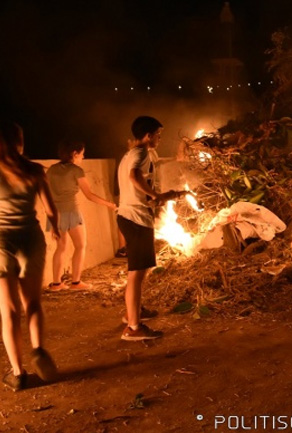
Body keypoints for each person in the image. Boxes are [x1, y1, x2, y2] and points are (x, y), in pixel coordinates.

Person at [0, 120, 59, 391]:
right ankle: (38, 349)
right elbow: (50, 209)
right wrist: (56, 230)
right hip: (31, 239)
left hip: (2, 243)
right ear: (20, 142)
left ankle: (18, 373)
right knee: (33, 302)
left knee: (9, 311)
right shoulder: (35, 170)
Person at [117, 116, 183, 341]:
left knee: (138, 272)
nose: (159, 139)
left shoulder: (130, 154)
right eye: (158, 135)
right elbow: (134, 176)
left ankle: (133, 312)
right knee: (137, 274)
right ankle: (133, 328)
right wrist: (157, 195)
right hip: (135, 218)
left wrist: (153, 198)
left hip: (130, 216)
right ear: (148, 135)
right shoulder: (141, 153)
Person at [47, 141, 117, 290]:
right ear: (74, 154)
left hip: (55, 213)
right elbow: (89, 195)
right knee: (80, 245)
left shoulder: (52, 170)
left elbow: (47, 194)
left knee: (61, 247)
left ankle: (56, 283)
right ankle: (76, 282)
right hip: (71, 212)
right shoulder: (76, 170)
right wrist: (109, 204)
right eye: (82, 154)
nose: (83, 157)